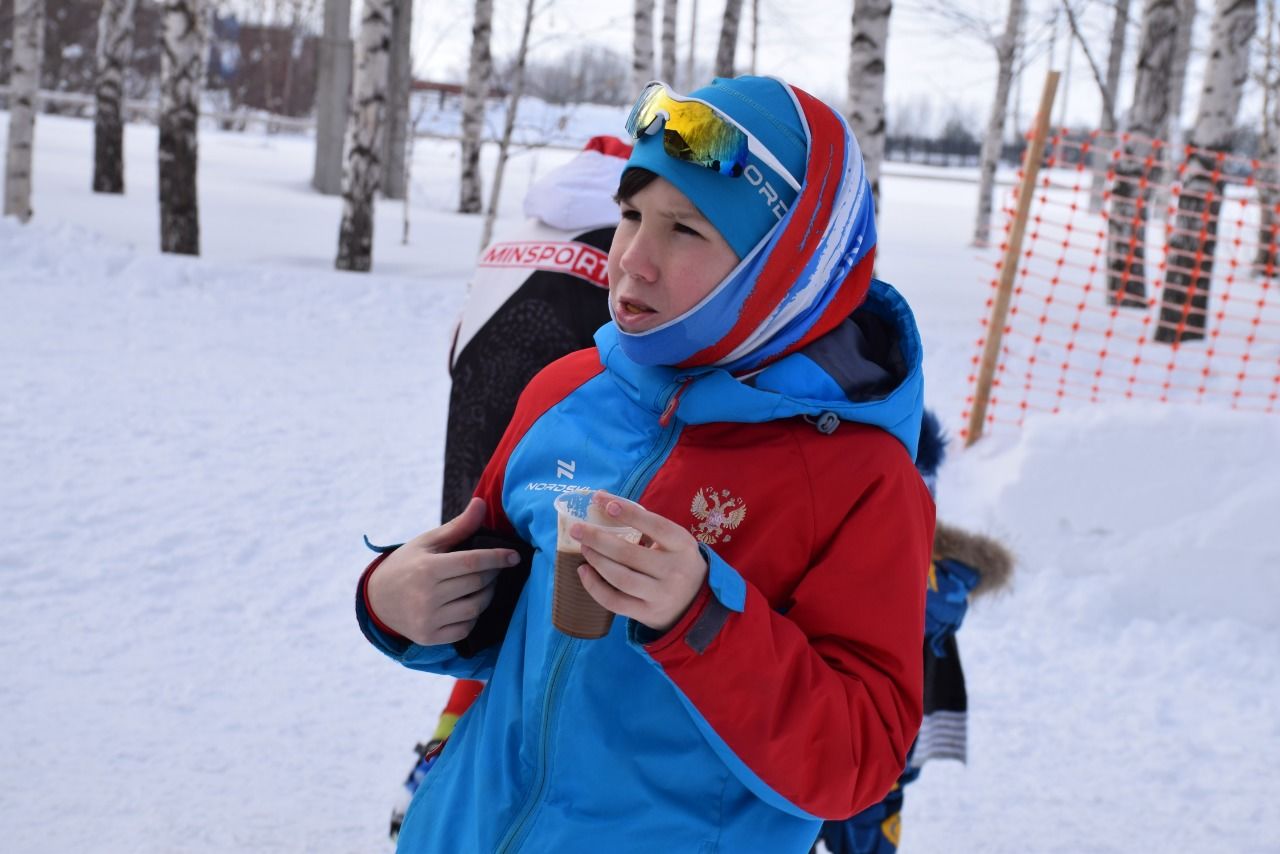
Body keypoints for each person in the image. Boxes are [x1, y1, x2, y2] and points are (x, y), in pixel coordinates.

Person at [357, 75, 935, 852]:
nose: (632, 260)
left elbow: (858, 763)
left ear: (783, 263)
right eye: (630, 215)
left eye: (685, 230)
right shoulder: (567, 389)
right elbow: (502, 613)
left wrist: (703, 618)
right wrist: (395, 604)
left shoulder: (859, 480)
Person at [389, 135, 632, 841]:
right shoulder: (621, 244)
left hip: (477, 428)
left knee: (483, 611)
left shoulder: (522, 232)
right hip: (561, 440)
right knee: (549, 633)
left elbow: (458, 338)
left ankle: (439, 753)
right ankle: (501, 777)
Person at [815, 411, 1014, 854]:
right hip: (848, 738)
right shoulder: (927, 573)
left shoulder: (921, 581)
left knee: (859, 823)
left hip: (872, 741)